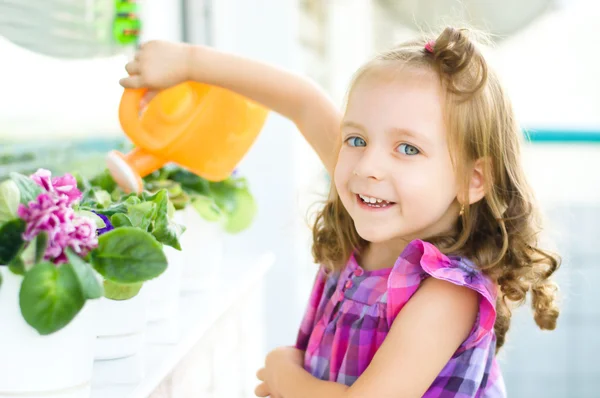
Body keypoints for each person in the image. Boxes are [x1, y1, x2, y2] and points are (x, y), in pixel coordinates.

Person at [120, 26, 560, 398]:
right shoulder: (378, 204)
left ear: (473, 180)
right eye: (356, 139)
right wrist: (190, 62)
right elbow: (303, 100)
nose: (368, 165)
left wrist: (284, 375)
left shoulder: (448, 294)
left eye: (407, 148)